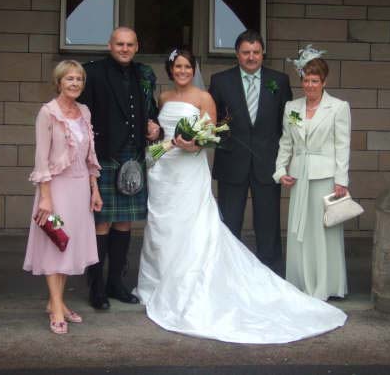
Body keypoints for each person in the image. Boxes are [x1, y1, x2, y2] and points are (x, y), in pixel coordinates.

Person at [134, 48, 346, 344]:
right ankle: (159, 280)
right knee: (163, 226)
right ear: (170, 70)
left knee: (205, 225)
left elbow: (211, 134)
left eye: (187, 67)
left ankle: (198, 281)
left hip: (194, 170)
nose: (182, 71)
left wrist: (192, 144)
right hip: (165, 171)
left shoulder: (209, 96)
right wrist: (156, 134)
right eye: (178, 67)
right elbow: (161, 133)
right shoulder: (164, 98)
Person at [78, 27, 161, 309]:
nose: (124, 49)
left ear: (137, 47)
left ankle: (116, 282)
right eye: (119, 44)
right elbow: (82, 118)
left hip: (133, 156)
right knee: (101, 221)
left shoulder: (144, 74)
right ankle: (96, 286)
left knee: (124, 221)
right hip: (104, 155)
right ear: (110, 45)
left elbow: (150, 111)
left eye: (129, 45)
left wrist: (154, 127)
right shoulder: (93, 72)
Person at [23, 60, 103, 334]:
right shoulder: (48, 113)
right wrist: (45, 198)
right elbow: (41, 158)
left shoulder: (85, 111)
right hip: (55, 190)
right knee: (54, 245)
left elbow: (90, 155)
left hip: (80, 189)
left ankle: (56, 302)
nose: (75, 83)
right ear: (58, 83)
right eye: (69, 79)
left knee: (68, 245)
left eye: (79, 79)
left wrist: (94, 188)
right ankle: (56, 307)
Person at [209, 30, 292, 273]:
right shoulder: (220, 81)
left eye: (256, 52)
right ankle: (228, 272)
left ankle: (271, 273)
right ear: (237, 54)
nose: (251, 57)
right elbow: (212, 122)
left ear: (263, 53)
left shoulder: (280, 80)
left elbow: (288, 123)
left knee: (268, 224)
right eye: (246, 52)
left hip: (268, 162)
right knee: (230, 222)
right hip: (231, 162)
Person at [274, 45, 350, 300]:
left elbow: (342, 145)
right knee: (301, 231)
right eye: (306, 80)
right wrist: (280, 170)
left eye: (315, 81)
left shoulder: (338, 107)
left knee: (323, 231)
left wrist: (341, 180)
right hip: (299, 176)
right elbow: (286, 142)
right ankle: (300, 282)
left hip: (325, 177)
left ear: (324, 82)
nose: (309, 85)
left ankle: (326, 285)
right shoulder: (292, 108)